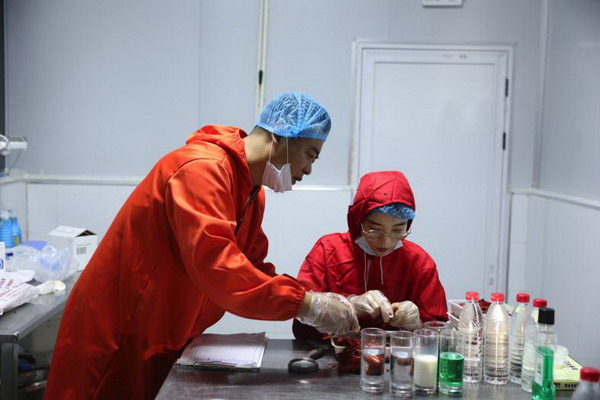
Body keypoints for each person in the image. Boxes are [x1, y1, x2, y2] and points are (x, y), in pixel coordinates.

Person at [44, 92, 359, 399]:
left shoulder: (251, 191)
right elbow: (219, 269)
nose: (309, 170)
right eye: (310, 154)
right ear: (282, 136)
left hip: (166, 328)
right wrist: (307, 305)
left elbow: (251, 268)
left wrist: (332, 302)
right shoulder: (202, 170)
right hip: (121, 329)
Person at [293, 170, 448, 342]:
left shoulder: (419, 261)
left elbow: (439, 334)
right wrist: (348, 306)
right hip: (330, 354)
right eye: (375, 230)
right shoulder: (327, 250)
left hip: (397, 356)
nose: (385, 242)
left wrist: (417, 323)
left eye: (398, 230)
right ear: (358, 220)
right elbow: (301, 323)